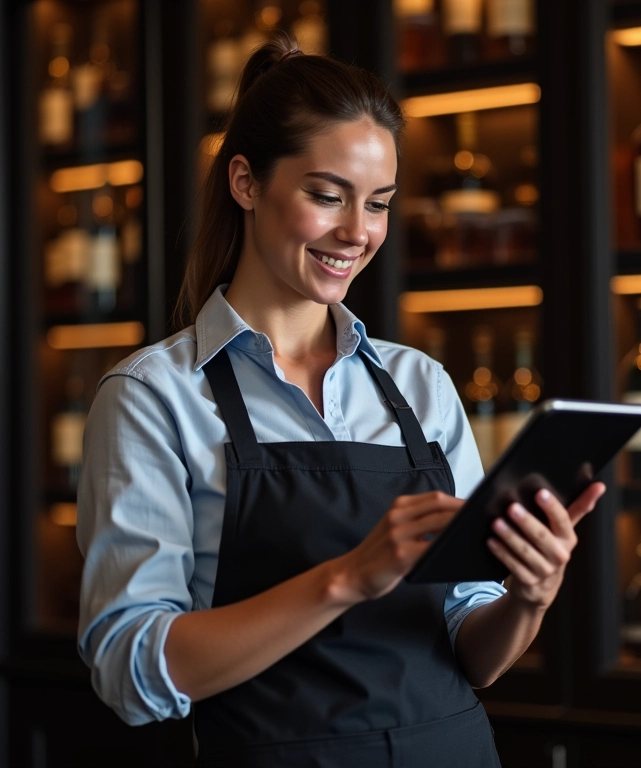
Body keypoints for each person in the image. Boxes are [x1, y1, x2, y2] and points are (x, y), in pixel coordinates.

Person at [77, 30, 605, 768]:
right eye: (327, 196)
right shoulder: (151, 397)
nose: (357, 233)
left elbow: (472, 650)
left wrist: (530, 595)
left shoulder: (421, 385)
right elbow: (131, 671)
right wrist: (346, 578)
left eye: (379, 203)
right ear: (246, 182)